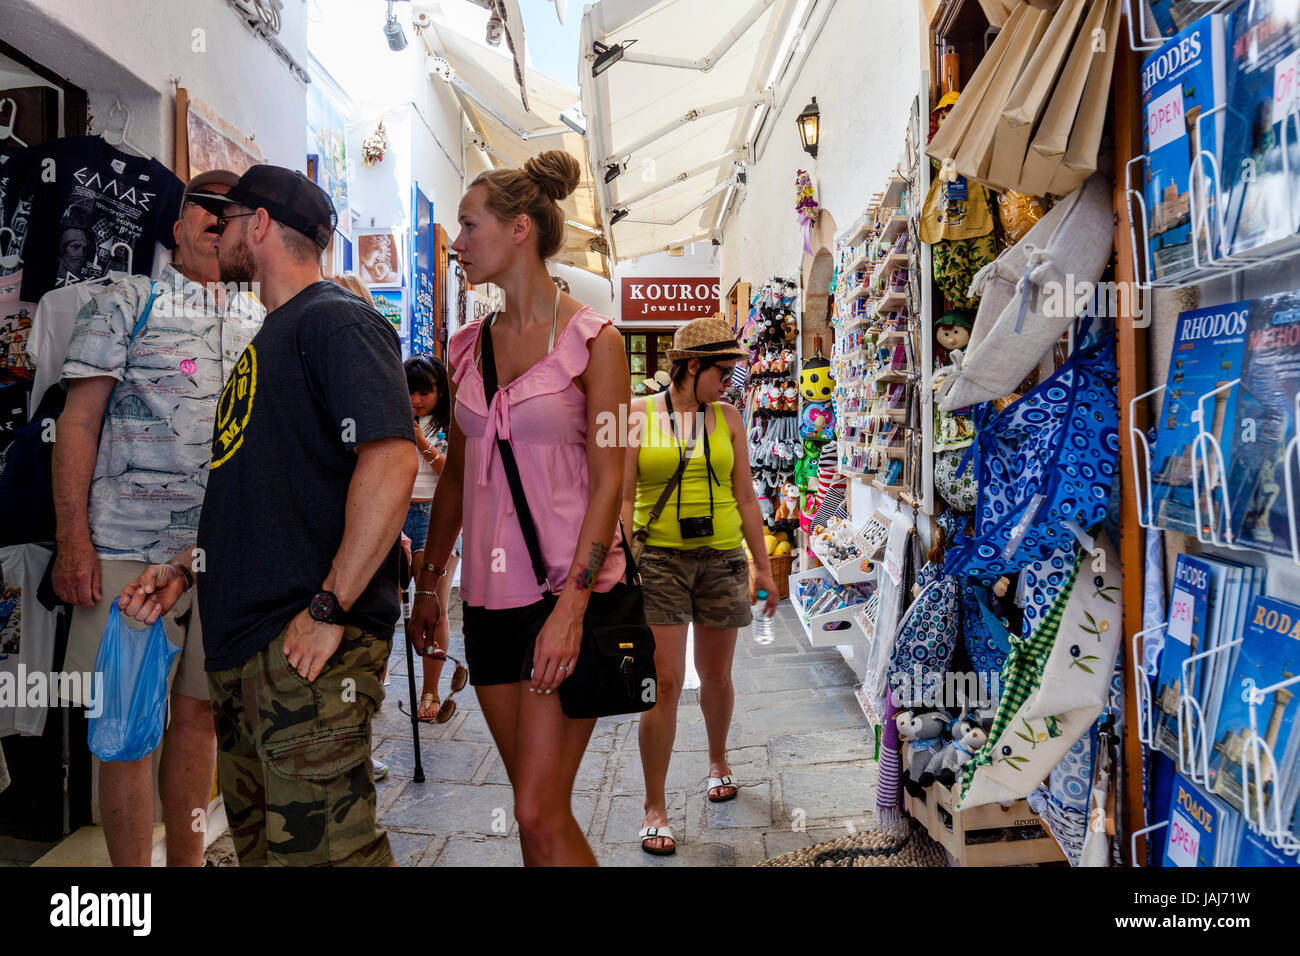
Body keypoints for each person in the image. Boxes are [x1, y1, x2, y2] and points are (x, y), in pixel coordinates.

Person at [119, 165, 416, 866]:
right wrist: (186, 572)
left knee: (326, 858)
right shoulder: (270, 340)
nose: (215, 232)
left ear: (260, 226)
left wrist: (329, 605)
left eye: (229, 219)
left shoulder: (335, 320)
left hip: (301, 652)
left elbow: (392, 461)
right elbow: (261, 502)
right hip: (248, 653)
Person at [407, 151, 630, 867]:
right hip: (489, 602)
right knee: (536, 808)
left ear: (520, 229)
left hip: (572, 594)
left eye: (470, 225)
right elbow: (457, 477)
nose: (457, 242)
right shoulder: (466, 349)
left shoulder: (599, 344)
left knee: (536, 809)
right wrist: (431, 581)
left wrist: (571, 607)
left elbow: (611, 480)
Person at [52, 168, 263, 866]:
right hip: (126, 553)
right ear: (177, 222)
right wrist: (72, 541)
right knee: (128, 729)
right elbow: (78, 424)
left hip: (220, 557)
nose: (218, 220)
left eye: (234, 213)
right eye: (207, 208)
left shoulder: (258, 318)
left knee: (199, 719)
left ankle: (189, 863)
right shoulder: (121, 300)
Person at [621, 316, 779, 856]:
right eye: (722, 370)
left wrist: (762, 566)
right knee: (664, 682)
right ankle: (654, 805)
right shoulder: (638, 416)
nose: (730, 381)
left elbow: (748, 496)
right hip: (660, 560)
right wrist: (621, 561)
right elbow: (621, 498)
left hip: (722, 560)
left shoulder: (729, 418)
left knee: (717, 674)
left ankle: (717, 760)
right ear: (692, 367)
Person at [401, 354, 458, 722]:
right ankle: (375, 680)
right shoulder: (391, 414)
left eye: (425, 392)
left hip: (436, 516)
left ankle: (431, 690)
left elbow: (452, 472)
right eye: (411, 393)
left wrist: (420, 439)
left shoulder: (452, 424)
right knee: (385, 603)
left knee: (432, 607)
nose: (417, 400)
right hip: (395, 513)